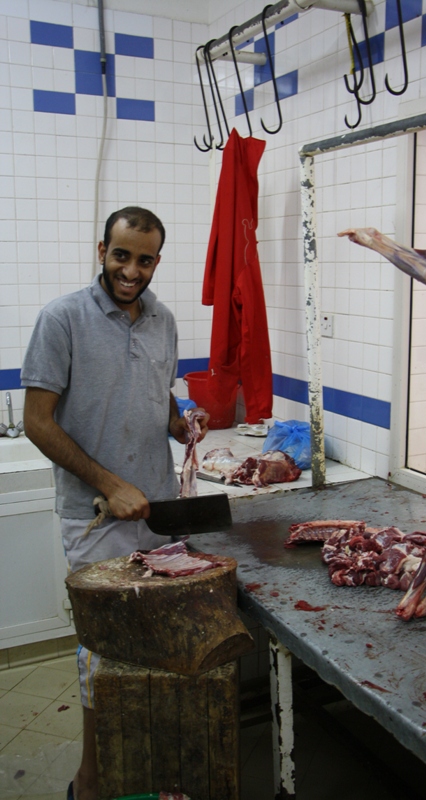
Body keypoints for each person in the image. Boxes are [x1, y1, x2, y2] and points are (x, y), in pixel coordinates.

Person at [20, 206, 209, 800]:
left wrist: (180, 425)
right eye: (121, 255)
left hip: (157, 518)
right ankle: (92, 782)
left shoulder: (165, 321)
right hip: (97, 518)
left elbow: (160, 398)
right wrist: (109, 484)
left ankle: (150, 770)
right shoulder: (63, 319)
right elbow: (36, 422)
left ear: (157, 260)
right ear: (101, 250)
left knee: (155, 654)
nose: (131, 270)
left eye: (144, 259)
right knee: (103, 657)